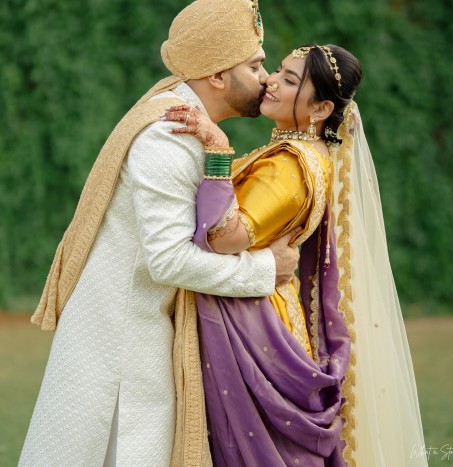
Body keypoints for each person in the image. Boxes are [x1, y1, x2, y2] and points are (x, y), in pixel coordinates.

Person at [19, 1, 301, 466]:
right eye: (255, 66)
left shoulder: (183, 122)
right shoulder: (169, 136)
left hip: (128, 337)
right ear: (217, 75)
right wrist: (265, 269)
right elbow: (167, 261)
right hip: (120, 353)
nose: (267, 78)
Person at [163, 44, 428, 466]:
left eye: (289, 80)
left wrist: (217, 149)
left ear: (321, 108)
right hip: (262, 310)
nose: (270, 81)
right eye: (277, 70)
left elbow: (224, 237)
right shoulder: (308, 155)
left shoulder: (291, 164)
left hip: (253, 323)